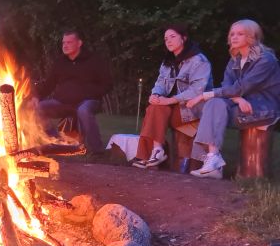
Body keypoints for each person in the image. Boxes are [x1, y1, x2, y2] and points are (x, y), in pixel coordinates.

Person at [185, 19, 280, 179]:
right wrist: (238, 100)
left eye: (240, 34)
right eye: (232, 34)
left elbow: (240, 87)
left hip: (261, 110)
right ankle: (213, 158)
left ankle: (213, 162)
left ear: (252, 37)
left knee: (210, 105)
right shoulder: (235, 60)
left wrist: (203, 95)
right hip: (239, 107)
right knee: (214, 104)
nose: (234, 37)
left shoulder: (265, 60)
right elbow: (227, 86)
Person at [131, 25, 212, 168]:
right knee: (155, 107)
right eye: (166, 38)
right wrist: (155, 94)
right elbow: (160, 83)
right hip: (173, 110)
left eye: (173, 37)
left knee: (155, 110)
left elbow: (197, 90)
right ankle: (157, 150)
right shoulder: (167, 62)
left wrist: (169, 100)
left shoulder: (199, 61)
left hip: (192, 110)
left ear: (184, 38)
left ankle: (146, 155)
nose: (168, 41)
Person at [36, 29, 113, 154]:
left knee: (83, 110)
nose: (65, 45)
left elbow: (107, 84)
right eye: (63, 43)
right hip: (63, 102)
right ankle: (57, 142)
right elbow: (49, 84)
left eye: (69, 42)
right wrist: (36, 97)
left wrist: (90, 93)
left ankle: (97, 150)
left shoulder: (93, 61)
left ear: (79, 43)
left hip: (88, 100)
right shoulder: (59, 62)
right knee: (38, 108)